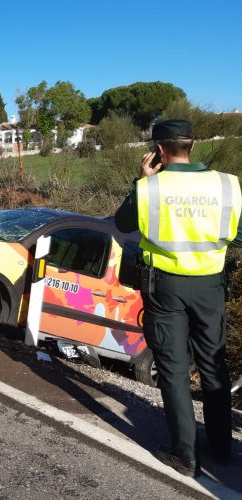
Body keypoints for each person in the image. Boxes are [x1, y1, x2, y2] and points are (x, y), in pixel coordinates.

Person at [115, 119, 242, 476]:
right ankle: (221, 449)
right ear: (193, 144)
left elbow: (123, 224)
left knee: (172, 370)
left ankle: (184, 456)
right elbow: (241, 235)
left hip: (164, 288)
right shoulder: (227, 185)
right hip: (210, 287)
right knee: (214, 364)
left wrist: (141, 180)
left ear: (157, 150)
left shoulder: (150, 188)